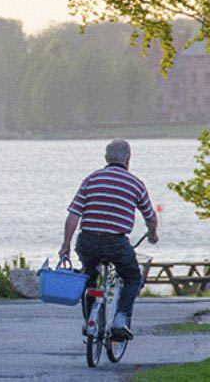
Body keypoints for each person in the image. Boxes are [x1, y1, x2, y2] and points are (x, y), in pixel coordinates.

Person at [58, 139, 158, 341]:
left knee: (89, 277)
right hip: (116, 243)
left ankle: (89, 321)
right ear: (128, 159)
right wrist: (152, 234)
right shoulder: (135, 184)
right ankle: (120, 319)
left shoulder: (91, 179)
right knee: (132, 278)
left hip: (87, 241)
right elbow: (150, 217)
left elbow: (73, 216)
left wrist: (65, 245)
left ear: (106, 158)